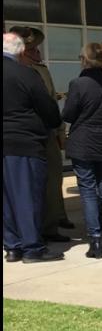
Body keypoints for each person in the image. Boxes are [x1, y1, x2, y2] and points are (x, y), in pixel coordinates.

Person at [3, 31, 63, 263]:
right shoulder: (26, 74)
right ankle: (32, 248)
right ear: (19, 51)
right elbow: (49, 110)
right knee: (27, 196)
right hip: (24, 141)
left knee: (6, 198)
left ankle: (12, 246)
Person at [62, 42, 102, 258]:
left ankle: (95, 241)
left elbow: (68, 115)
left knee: (88, 192)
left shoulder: (78, 84)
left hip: (84, 143)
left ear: (84, 60)